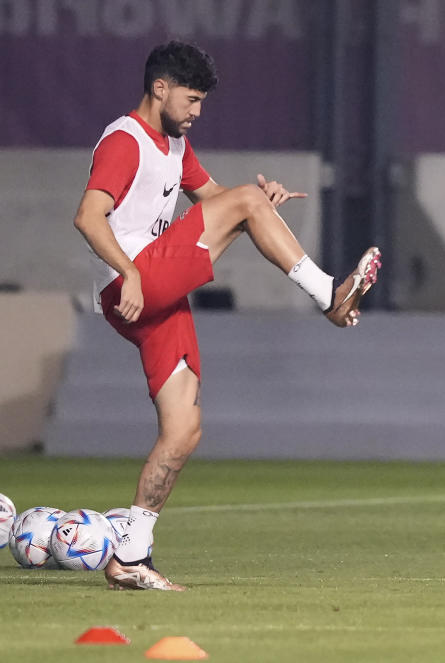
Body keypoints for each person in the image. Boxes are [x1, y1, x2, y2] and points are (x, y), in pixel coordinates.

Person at [73, 41, 382, 591]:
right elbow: (88, 218)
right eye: (191, 100)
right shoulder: (125, 140)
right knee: (244, 206)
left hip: (152, 290)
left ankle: (131, 556)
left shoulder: (174, 144)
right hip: (131, 281)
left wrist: (262, 202)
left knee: (185, 427)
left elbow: (214, 198)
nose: (197, 113)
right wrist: (137, 273)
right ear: (159, 88)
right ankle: (328, 295)